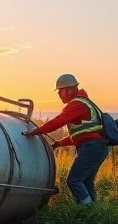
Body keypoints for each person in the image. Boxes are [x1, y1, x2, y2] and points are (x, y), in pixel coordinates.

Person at [23, 74, 109, 205]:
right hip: (98, 147)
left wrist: (36, 131)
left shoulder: (77, 104)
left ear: (69, 89)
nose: (59, 94)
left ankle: (88, 211)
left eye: (60, 91)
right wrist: (60, 143)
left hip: (91, 147)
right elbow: (82, 133)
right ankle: (93, 211)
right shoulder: (85, 102)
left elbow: (58, 121)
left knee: (73, 180)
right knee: (86, 182)